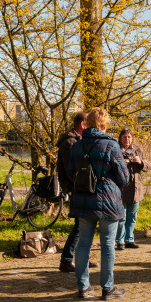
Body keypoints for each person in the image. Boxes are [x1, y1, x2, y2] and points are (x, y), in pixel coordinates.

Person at [68, 107, 130, 300]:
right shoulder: (111, 145)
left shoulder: (77, 146)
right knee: (108, 244)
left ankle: (83, 287)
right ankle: (107, 288)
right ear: (104, 125)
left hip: (83, 199)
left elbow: (71, 173)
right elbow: (124, 178)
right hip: (107, 202)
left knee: (83, 243)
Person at [56, 112, 98, 272]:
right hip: (76, 189)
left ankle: (79, 258)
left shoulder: (77, 141)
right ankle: (66, 260)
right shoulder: (70, 143)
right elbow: (71, 170)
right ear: (83, 125)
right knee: (81, 225)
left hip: (80, 188)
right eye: (90, 123)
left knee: (83, 225)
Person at [115, 128, 150, 250]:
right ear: (120, 138)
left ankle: (129, 239)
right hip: (122, 189)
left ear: (132, 138)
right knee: (122, 216)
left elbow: (147, 165)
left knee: (132, 216)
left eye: (129, 137)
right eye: (124, 137)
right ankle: (120, 241)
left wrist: (140, 162)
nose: (127, 139)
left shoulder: (137, 150)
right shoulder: (116, 149)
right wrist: (121, 163)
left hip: (136, 189)